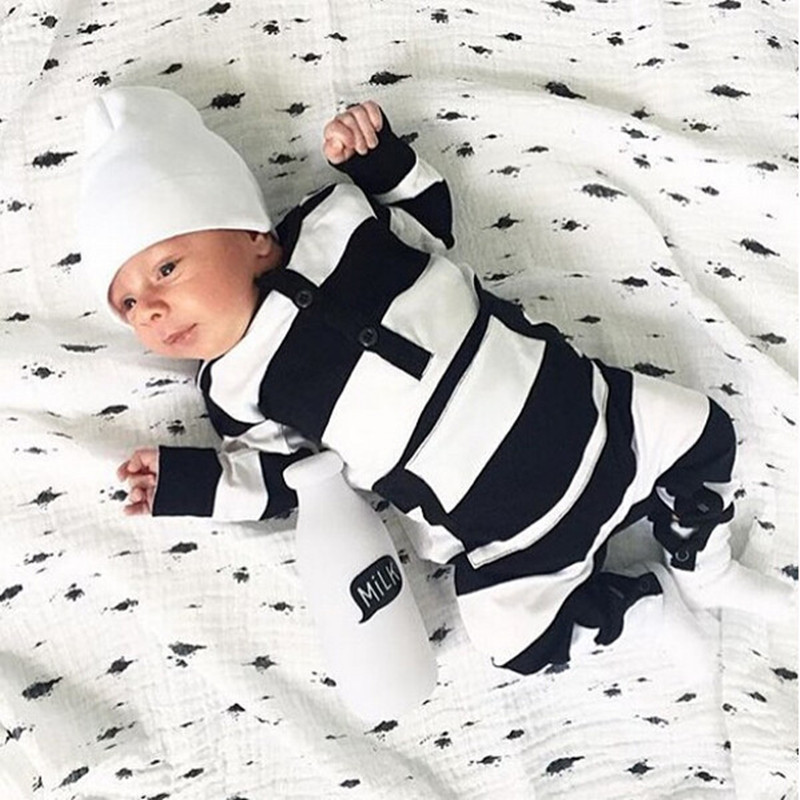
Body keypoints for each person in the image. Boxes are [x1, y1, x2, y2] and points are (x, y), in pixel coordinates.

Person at [78, 86, 792, 676]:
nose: (152, 309)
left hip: (598, 416)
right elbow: (287, 482)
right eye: (128, 304)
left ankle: (704, 565)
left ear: (252, 236)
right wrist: (188, 483)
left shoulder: (334, 222)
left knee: (705, 431)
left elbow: (430, 222)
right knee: (512, 644)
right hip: (503, 533)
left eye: (165, 269)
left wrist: (379, 160)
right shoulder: (235, 386)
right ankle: (643, 609)